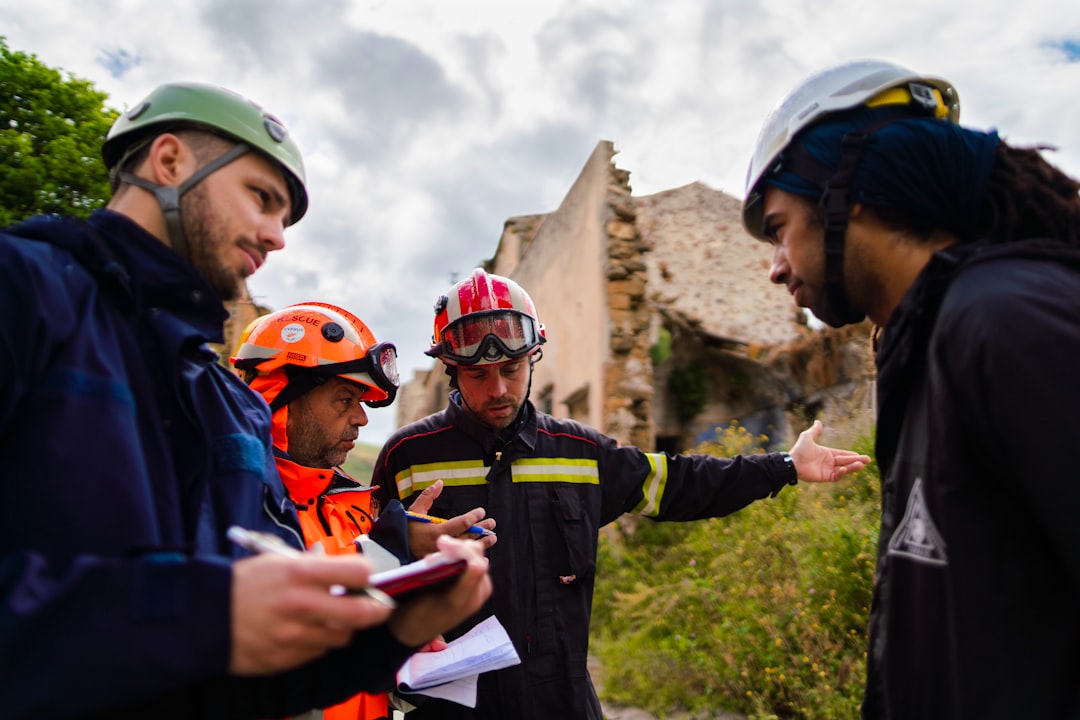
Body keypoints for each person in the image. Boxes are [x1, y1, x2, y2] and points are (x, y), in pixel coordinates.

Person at [0, 81, 490, 719]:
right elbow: (209, 623)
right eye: (262, 198)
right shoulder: (22, 294)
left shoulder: (230, 411)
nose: (277, 236)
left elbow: (251, 672)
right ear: (168, 161)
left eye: (284, 218)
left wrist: (394, 629)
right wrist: (198, 613)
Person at [371, 268, 871, 719]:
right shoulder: (407, 457)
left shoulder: (579, 452)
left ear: (533, 358)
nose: (498, 389)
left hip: (563, 705)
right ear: (451, 371)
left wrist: (784, 466)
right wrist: (400, 570)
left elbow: (682, 482)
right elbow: (355, 568)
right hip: (450, 709)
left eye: (513, 370)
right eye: (478, 376)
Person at [741, 59, 1080, 718]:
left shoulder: (1004, 322)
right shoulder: (932, 340)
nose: (775, 269)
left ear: (850, 193)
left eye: (780, 228)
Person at [231, 301, 497, 720]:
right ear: (281, 398)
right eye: (344, 400)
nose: (361, 418)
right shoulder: (231, 508)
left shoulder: (357, 513)